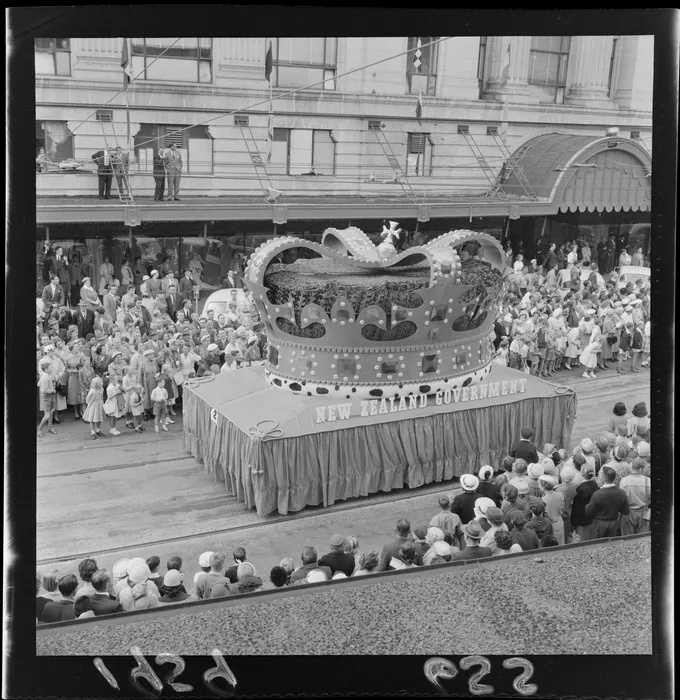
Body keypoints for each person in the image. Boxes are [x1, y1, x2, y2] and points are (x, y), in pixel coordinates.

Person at [584, 465, 630, 540]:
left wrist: (586, 506)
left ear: (604, 478)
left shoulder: (597, 494)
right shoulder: (621, 493)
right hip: (614, 523)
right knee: (611, 545)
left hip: (599, 524)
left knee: (598, 544)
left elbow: (588, 511)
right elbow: (626, 511)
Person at [619, 459, 651, 535]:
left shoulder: (624, 481)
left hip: (628, 513)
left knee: (627, 538)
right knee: (642, 538)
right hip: (643, 513)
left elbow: (622, 498)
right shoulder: (648, 481)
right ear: (641, 469)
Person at [37, 358, 58, 438]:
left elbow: (38, 384)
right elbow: (43, 390)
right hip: (47, 398)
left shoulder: (46, 376)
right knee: (47, 415)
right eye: (50, 368)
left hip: (50, 398)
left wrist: (51, 380)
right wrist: (52, 391)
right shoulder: (45, 378)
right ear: (46, 369)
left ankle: (50, 427)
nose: (51, 369)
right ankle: (39, 429)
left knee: (51, 413)